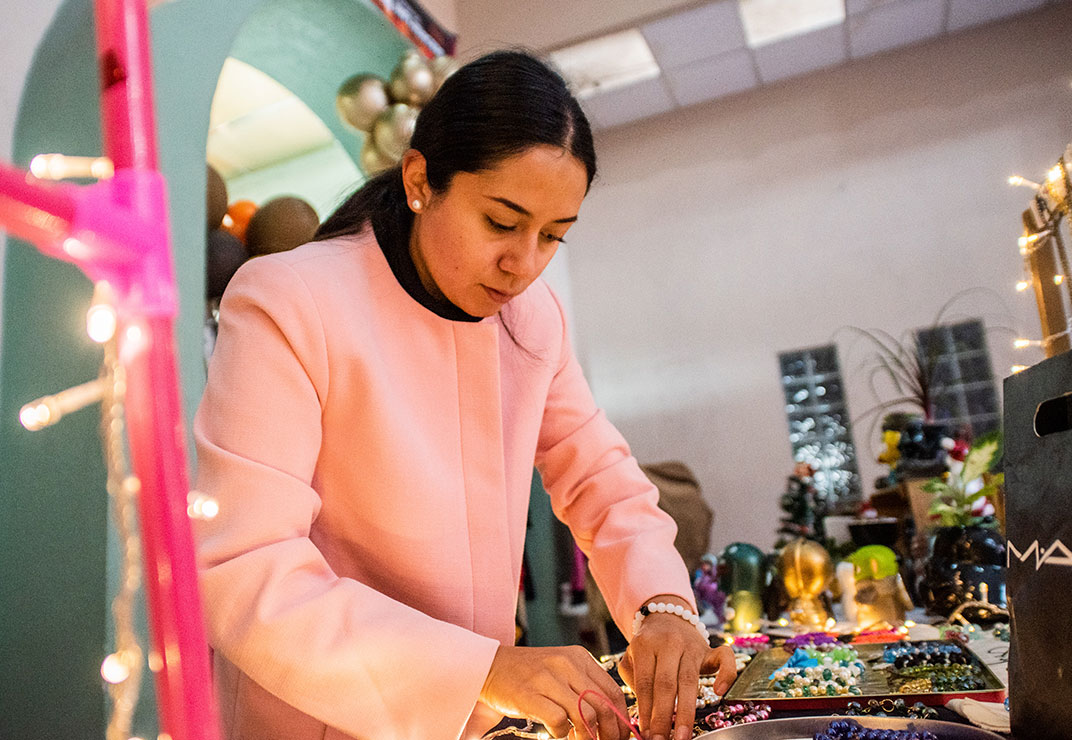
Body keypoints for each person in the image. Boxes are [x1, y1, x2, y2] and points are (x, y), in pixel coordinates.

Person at [193, 49, 736, 740]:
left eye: (552, 237)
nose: (523, 263)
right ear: (421, 180)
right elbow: (246, 566)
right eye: (501, 223)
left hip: (478, 718)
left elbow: (599, 476)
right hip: (319, 715)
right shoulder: (289, 302)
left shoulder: (532, 317)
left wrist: (664, 607)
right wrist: (482, 671)